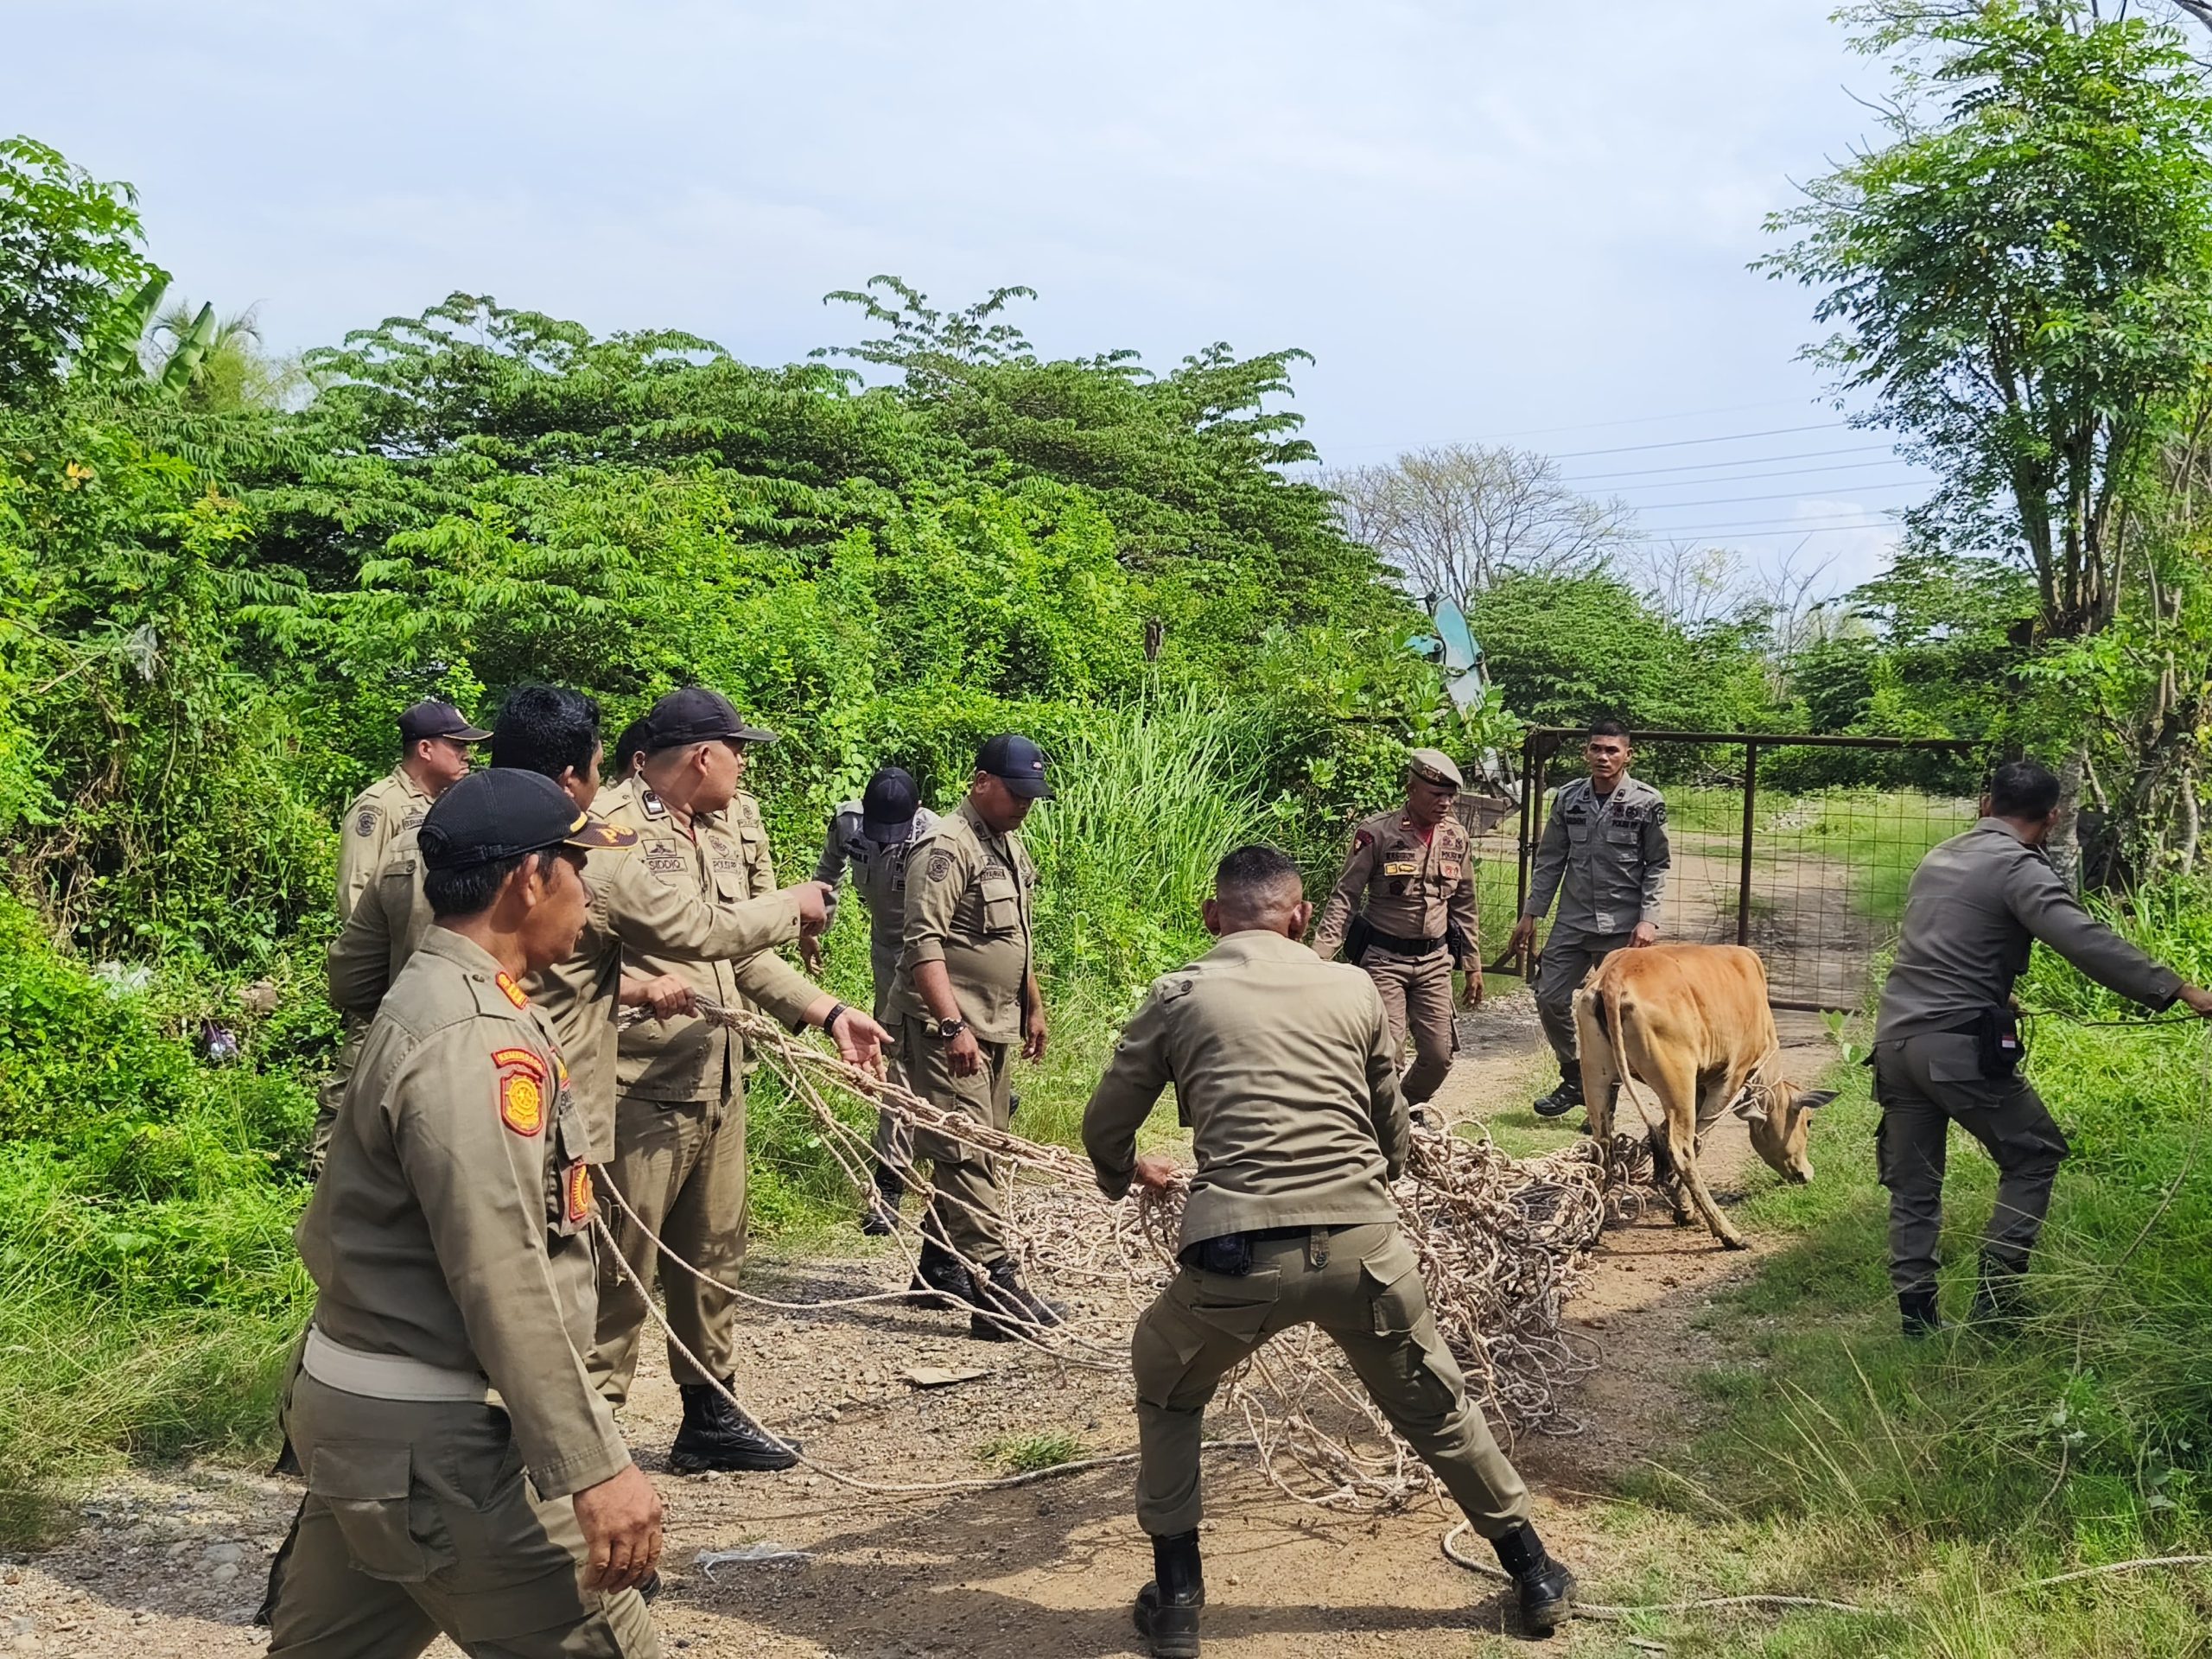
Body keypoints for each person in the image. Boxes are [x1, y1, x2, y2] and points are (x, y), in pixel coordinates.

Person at [1082, 844, 1575, 1651]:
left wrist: (1123, 1175)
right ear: (1301, 917)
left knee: (1167, 1384)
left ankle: (1176, 1599)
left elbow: (1106, 1124)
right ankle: (1534, 1572)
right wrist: (1379, 1181)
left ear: (1212, 917)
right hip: (1364, 1253)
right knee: (1437, 1407)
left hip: (1234, 1257)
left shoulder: (1178, 995)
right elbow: (1390, 1120)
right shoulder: (1353, 987)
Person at [263, 768, 666, 1658]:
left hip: (369, 1422)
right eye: (577, 868)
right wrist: (595, 1468)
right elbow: (503, 1276)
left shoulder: (439, 990)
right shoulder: (471, 1039)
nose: (588, 892)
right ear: (528, 879)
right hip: (435, 1443)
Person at [586, 687, 892, 1473]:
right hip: (637, 1089)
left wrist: (829, 1012)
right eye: (738, 751)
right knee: (620, 1273)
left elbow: (743, 956)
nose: (744, 765)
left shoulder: (720, 827)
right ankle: (588, 1449)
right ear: (702, 756)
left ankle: (710, 1418)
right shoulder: (611, 829)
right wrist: (791, 904)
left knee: (714, 1258)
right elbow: (696, 934)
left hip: (717, 1076)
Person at [317, 685, 770, 1169]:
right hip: (540, 1115)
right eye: (597, 770)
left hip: (410, 1103)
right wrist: (793, 907)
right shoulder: (579, 857)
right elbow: (698, 929)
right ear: (571, 778)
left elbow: (351, 982)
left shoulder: (412, 843)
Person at [1873, 760, 2212, 1338]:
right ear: (2052, 818)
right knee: (2034, 1155)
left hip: (1894, 1043)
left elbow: (1945, 943)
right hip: (1955, 1047)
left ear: (1987, 804)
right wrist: (2180, 989)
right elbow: (2084, 940)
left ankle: (1917, 1321)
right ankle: (1997, 1304)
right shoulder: (2017, 867)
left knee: (1915, 1184)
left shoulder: (1940, 857)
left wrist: (1996, 992)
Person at [891, 733, 1063, 1339]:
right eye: (1016, 793)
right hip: (948, 1029)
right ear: (981, 782)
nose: (1025, 805)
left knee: (983, 1145)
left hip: (993, 1023)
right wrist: (951, 1024)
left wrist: (1033, 1006)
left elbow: (1016, 937)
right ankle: (997, 1291)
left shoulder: (1005, 843)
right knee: (964, 1151)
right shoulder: (946, 846)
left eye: (1031, 796)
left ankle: (939, 1266)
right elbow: (923, 943)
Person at [1506, 720, 1670, 1119]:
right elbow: (1550, 860)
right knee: (1549, 997)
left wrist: (1648, 920)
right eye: (1596, 748)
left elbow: (1657, 864)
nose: (1603, 756)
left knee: (1611, 1011)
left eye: (1612, 750)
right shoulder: (1569, 799)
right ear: (1586, 753)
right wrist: (1531, 913)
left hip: (1622, 928)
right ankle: (1574, 1077)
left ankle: (1605, 1103)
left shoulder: (1647, 802)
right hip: (1573, 921)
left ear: (1628, 755)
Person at [805, 765, 940, 1235]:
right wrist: (814, 925)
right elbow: (827, 874)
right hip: (888, 950)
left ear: (915, 813)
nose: (885, 841)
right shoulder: (849, 823)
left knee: (937, 1053)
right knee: (898, 1057)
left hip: (938, 953)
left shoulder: (936, 835)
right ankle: (891, 1184)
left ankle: (977, 1114)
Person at [1310, 747, 1484, 1110]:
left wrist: (1472, 964)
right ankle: (1384, 1121)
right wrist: (1319, 957)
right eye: (1436, 794)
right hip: (1383, 961)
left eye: (1450, 796)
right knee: (1388, 1055)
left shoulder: (1456, 837)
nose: (1445, 803)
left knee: (1439, 1056)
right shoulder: (1377, 833)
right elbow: (1346, 896)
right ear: (1412, 789)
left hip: (1434, 962)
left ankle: (1406, 1109)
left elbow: (1464, 904)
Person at [334, 699, 488, 920]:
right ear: (425, 749)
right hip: (395, 943)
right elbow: (355, 888)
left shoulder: (451, 804)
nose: (468, 755)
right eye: (458, 746)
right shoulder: (380, 805)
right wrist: (368, 943)